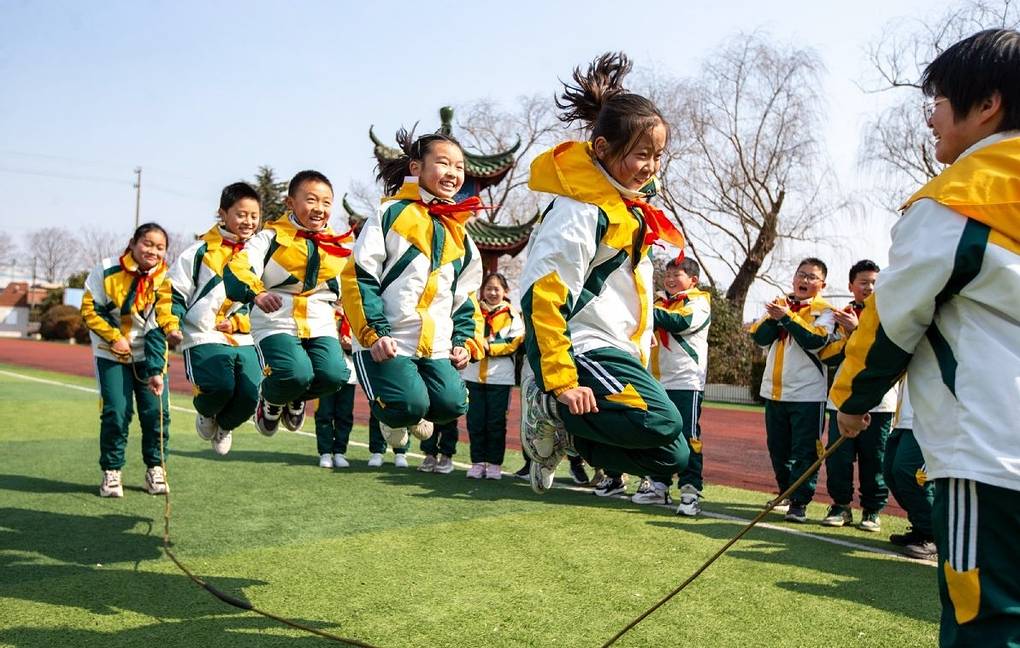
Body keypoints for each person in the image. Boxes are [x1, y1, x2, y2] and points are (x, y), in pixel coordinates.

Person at [832, 29, 1020, 646]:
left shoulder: (957, 203)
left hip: (988, 453)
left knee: (984, 621)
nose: (931, 116)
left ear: (987, 103)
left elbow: (892, 320)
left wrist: (852, 401)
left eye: (937, 99)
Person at [518, 52, 689, 494]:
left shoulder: (627, 208)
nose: (651, 166)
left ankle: (567, 436)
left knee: (673, 454)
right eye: (641, 154)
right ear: (601, 149)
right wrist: (559, 380)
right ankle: (547, 407)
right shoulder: (579, 210)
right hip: (583, 345)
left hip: (617, 345)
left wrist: (643, 325)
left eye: (658, 155)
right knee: (660, 420)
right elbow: (543, 296)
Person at [341, 130, 485, 452]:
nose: (453, 173)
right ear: (417, 168)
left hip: (434, 345)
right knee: (408, 405)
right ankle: (394, 412)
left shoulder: (461, 232)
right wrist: (374, 333)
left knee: (453, 405)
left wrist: (462, 341)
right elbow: (359, 275)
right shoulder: (389, 213)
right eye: (443, 163)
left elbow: (466, 295)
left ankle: (413, 404)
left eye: (459, 167)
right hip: (389, 339)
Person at [224, 170, 352, 436]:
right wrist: (256, 293)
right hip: (276, 321)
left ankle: (295, 397)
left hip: (320, 323)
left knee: (334, 375)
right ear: (290, 203)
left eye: (326, 202)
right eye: (311, 200)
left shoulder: (341, 244)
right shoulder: (268, 238)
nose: (319, 209)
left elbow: (356, 284)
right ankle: (271, 399)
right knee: (296, 374)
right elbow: (238, 266)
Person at [81, 223, 182, 497]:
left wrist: (156, 367)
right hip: (111, 352)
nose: (153, 251)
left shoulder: (167, 280)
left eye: (160, 247)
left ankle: (155, 469)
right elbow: (90, 309)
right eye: (147, 243)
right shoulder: (106, 269)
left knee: (156, 412)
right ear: (133, 243)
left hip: (150, 352)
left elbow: (162, 322)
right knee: (116, 411)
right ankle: (111, 472)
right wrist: (115, 337)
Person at [170, 182, 262, 456]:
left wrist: (238, 323)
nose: (248, 222)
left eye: (254, 216)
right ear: (223, 213)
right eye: (241, 214)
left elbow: (268, 297)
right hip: (203, 334)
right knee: (220, 387)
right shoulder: (198, 251)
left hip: (245, 336)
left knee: (249, 395)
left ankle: (225, 424)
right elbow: (174, 290)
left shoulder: (261, 254)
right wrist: (172, 323)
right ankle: (206, 412)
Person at [749, 258, 836, 523]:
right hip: (775, 392)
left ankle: (800, 502)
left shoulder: (826, 311)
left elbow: (816, 340)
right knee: (778, 448)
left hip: (807, 395)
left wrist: (787, 318)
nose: (805, 281)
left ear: (822, 284)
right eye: (801, 275)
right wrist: (779, 315)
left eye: (812, 277)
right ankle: (786, 493)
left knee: (805, 451)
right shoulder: (781, 304)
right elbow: (759, 336)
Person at [819, 260, 896, 530]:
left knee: (874, 459)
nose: (870, 287)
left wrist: (858, 330)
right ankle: (840, 505)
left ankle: (872, 510)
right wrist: (851, 332)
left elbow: (887, 352)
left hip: (880, 403)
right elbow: (826, 353)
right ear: (851, 286)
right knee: (839, 458)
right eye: (864, 282)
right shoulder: (837, 315)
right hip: (841, 400)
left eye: (875, 282)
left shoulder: (891, 314)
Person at [645, 257, 712, 515]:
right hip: (657, 380)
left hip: (686, 380)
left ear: (693, 280)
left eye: (678, 274)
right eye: (668, 273)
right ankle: (658, 485)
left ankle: (690, 490)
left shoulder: (699, 302)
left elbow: (680, 323)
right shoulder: (659, 302)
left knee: (687, 436)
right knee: (657, 433)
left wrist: (644, 308)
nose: (670, 278)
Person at [460, 272, 524, 480]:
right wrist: (478, 345)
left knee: (496, 423)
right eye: (488, 288)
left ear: (505, 291)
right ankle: (477, 462)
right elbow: (466, 333)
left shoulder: (511, 314)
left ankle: (495, 464)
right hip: (472, 375)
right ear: (482, 291)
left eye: (497, 289)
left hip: (499, 377)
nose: (492, 292)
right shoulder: (473, 311)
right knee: (475, 421)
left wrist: (490, 347)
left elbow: (515, 341)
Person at [883, 378, 936, 560]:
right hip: (904, 417)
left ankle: (934, 533)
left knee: (912, 474)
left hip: (929, 418)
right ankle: (922, 527)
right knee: (890, 473)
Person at [312, 311, 359, 468]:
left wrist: (351, 346)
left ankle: (340, 452)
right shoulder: (323, 310)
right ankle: (325, 452)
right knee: (324, 413)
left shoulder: (354, 315)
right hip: (325, 373)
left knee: (344, 415)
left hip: (349, 373)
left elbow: (363, 343)